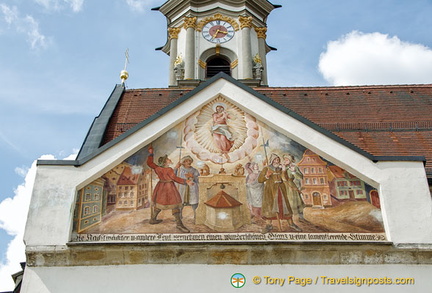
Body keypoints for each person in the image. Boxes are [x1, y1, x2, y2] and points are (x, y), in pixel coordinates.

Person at [146, 145, 193, 233]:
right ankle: (179, 225)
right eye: (168, 159)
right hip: (169, 188)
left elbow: (150, 164)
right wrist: (186, 181)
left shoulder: (158, 168)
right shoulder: (169, 170)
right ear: (165, 162)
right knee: (174, 205)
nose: (169, 159)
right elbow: (174, 178)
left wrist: (151, 154)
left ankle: (153, 219)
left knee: (159, 204)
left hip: (160, 187)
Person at [258, 153, 302, 232]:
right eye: (275, 160)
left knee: (285, 207)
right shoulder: (266, 169)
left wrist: (284, 171)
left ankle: (291, 224)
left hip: (281, 190)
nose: (277, 161)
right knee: (270, 208)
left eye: (278, 160)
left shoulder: (281, 168)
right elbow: (260, 180)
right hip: (270, 191)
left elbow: (285, 178)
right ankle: (269, 225)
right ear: (272, 161)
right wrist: (267, 176)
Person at [175, 155, 200, 220]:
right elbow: (173, 176)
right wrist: (176, 168)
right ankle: (179, 217)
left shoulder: (194, 170)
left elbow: (198, 180)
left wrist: (193, 177)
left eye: (189, 161)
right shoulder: (180, 170)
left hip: (192, 188)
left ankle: (196, 217)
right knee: (181, 202)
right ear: (183, 162)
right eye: (186, 161)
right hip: (183, 187)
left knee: (194, 203)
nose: (188, 162)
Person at [282, 154, 306, 219]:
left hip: (291, 185)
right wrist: (283, 170)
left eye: (287, 160)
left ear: (290, 160)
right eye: (284, 159)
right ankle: (288, 217)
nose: (285, 161)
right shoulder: (283, 167)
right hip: (284, 185)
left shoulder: (294, 167)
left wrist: (294, 171)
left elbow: (300, 177)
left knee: (296, 200)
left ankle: (300, 216)